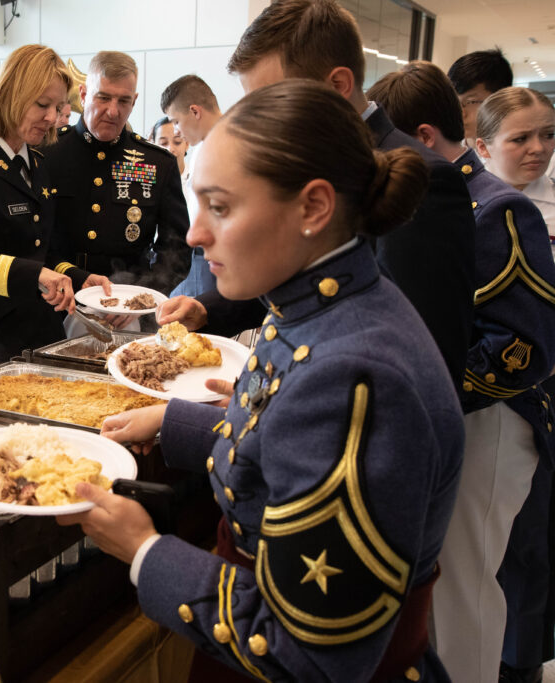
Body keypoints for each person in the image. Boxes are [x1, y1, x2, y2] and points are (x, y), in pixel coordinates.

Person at [60, 79, 462, 682]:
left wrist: (145, 550)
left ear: (313, 208)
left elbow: (308, 654)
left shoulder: (355, 379)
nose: (196, 234)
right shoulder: (323, 306)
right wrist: (173, 422)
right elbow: (288, 430)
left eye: (220, 207)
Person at [158, 0, 476, 392]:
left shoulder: (424, 179)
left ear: (337, 85)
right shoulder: (307, 157)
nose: (263, 119)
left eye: (275, 99)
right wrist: (210, 308)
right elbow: (299, 283)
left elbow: (422, 363)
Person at [368, 62, 555, 683]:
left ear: (421, 138)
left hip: (491, 421)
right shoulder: (439, 196)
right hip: (451, 415)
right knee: (438, 582)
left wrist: (430, 389)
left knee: (466, 588)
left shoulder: (496, 207)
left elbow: (521, 347)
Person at [0, 44, 110, 380]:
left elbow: (45, 248)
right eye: (42, 105)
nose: (52, 118)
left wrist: (82, 280)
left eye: (58, 107)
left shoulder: (38, 163)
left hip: (41, 332)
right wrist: (33, 276)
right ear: (11, 93)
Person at [43, 51, 190, 294]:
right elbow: (32, 240)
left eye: (123, 101)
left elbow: (177, 249)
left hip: (130, 300)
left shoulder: (158, 163)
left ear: (134, 101)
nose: (113, 111)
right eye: (103, 98)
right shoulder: (47, 153)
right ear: (83, 94)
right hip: (58, 298)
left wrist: (140, 298)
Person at [160, 74, 222, 298]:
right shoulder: (203, 146)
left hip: (217, 251)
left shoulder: (225, 146)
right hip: (202, 251)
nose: (175, 130)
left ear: (195, 111)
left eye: (176, 121)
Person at [477, 87, 555, 260]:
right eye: (520, 139)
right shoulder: (461, 200)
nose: (538, 148)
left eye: (548, 135)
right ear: (483, 147)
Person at [447, 49, 514, 151]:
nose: (460, 113)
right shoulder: (445, 153)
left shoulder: (516, 154)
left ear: (500, 100)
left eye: (471, 102)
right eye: (454, 101)